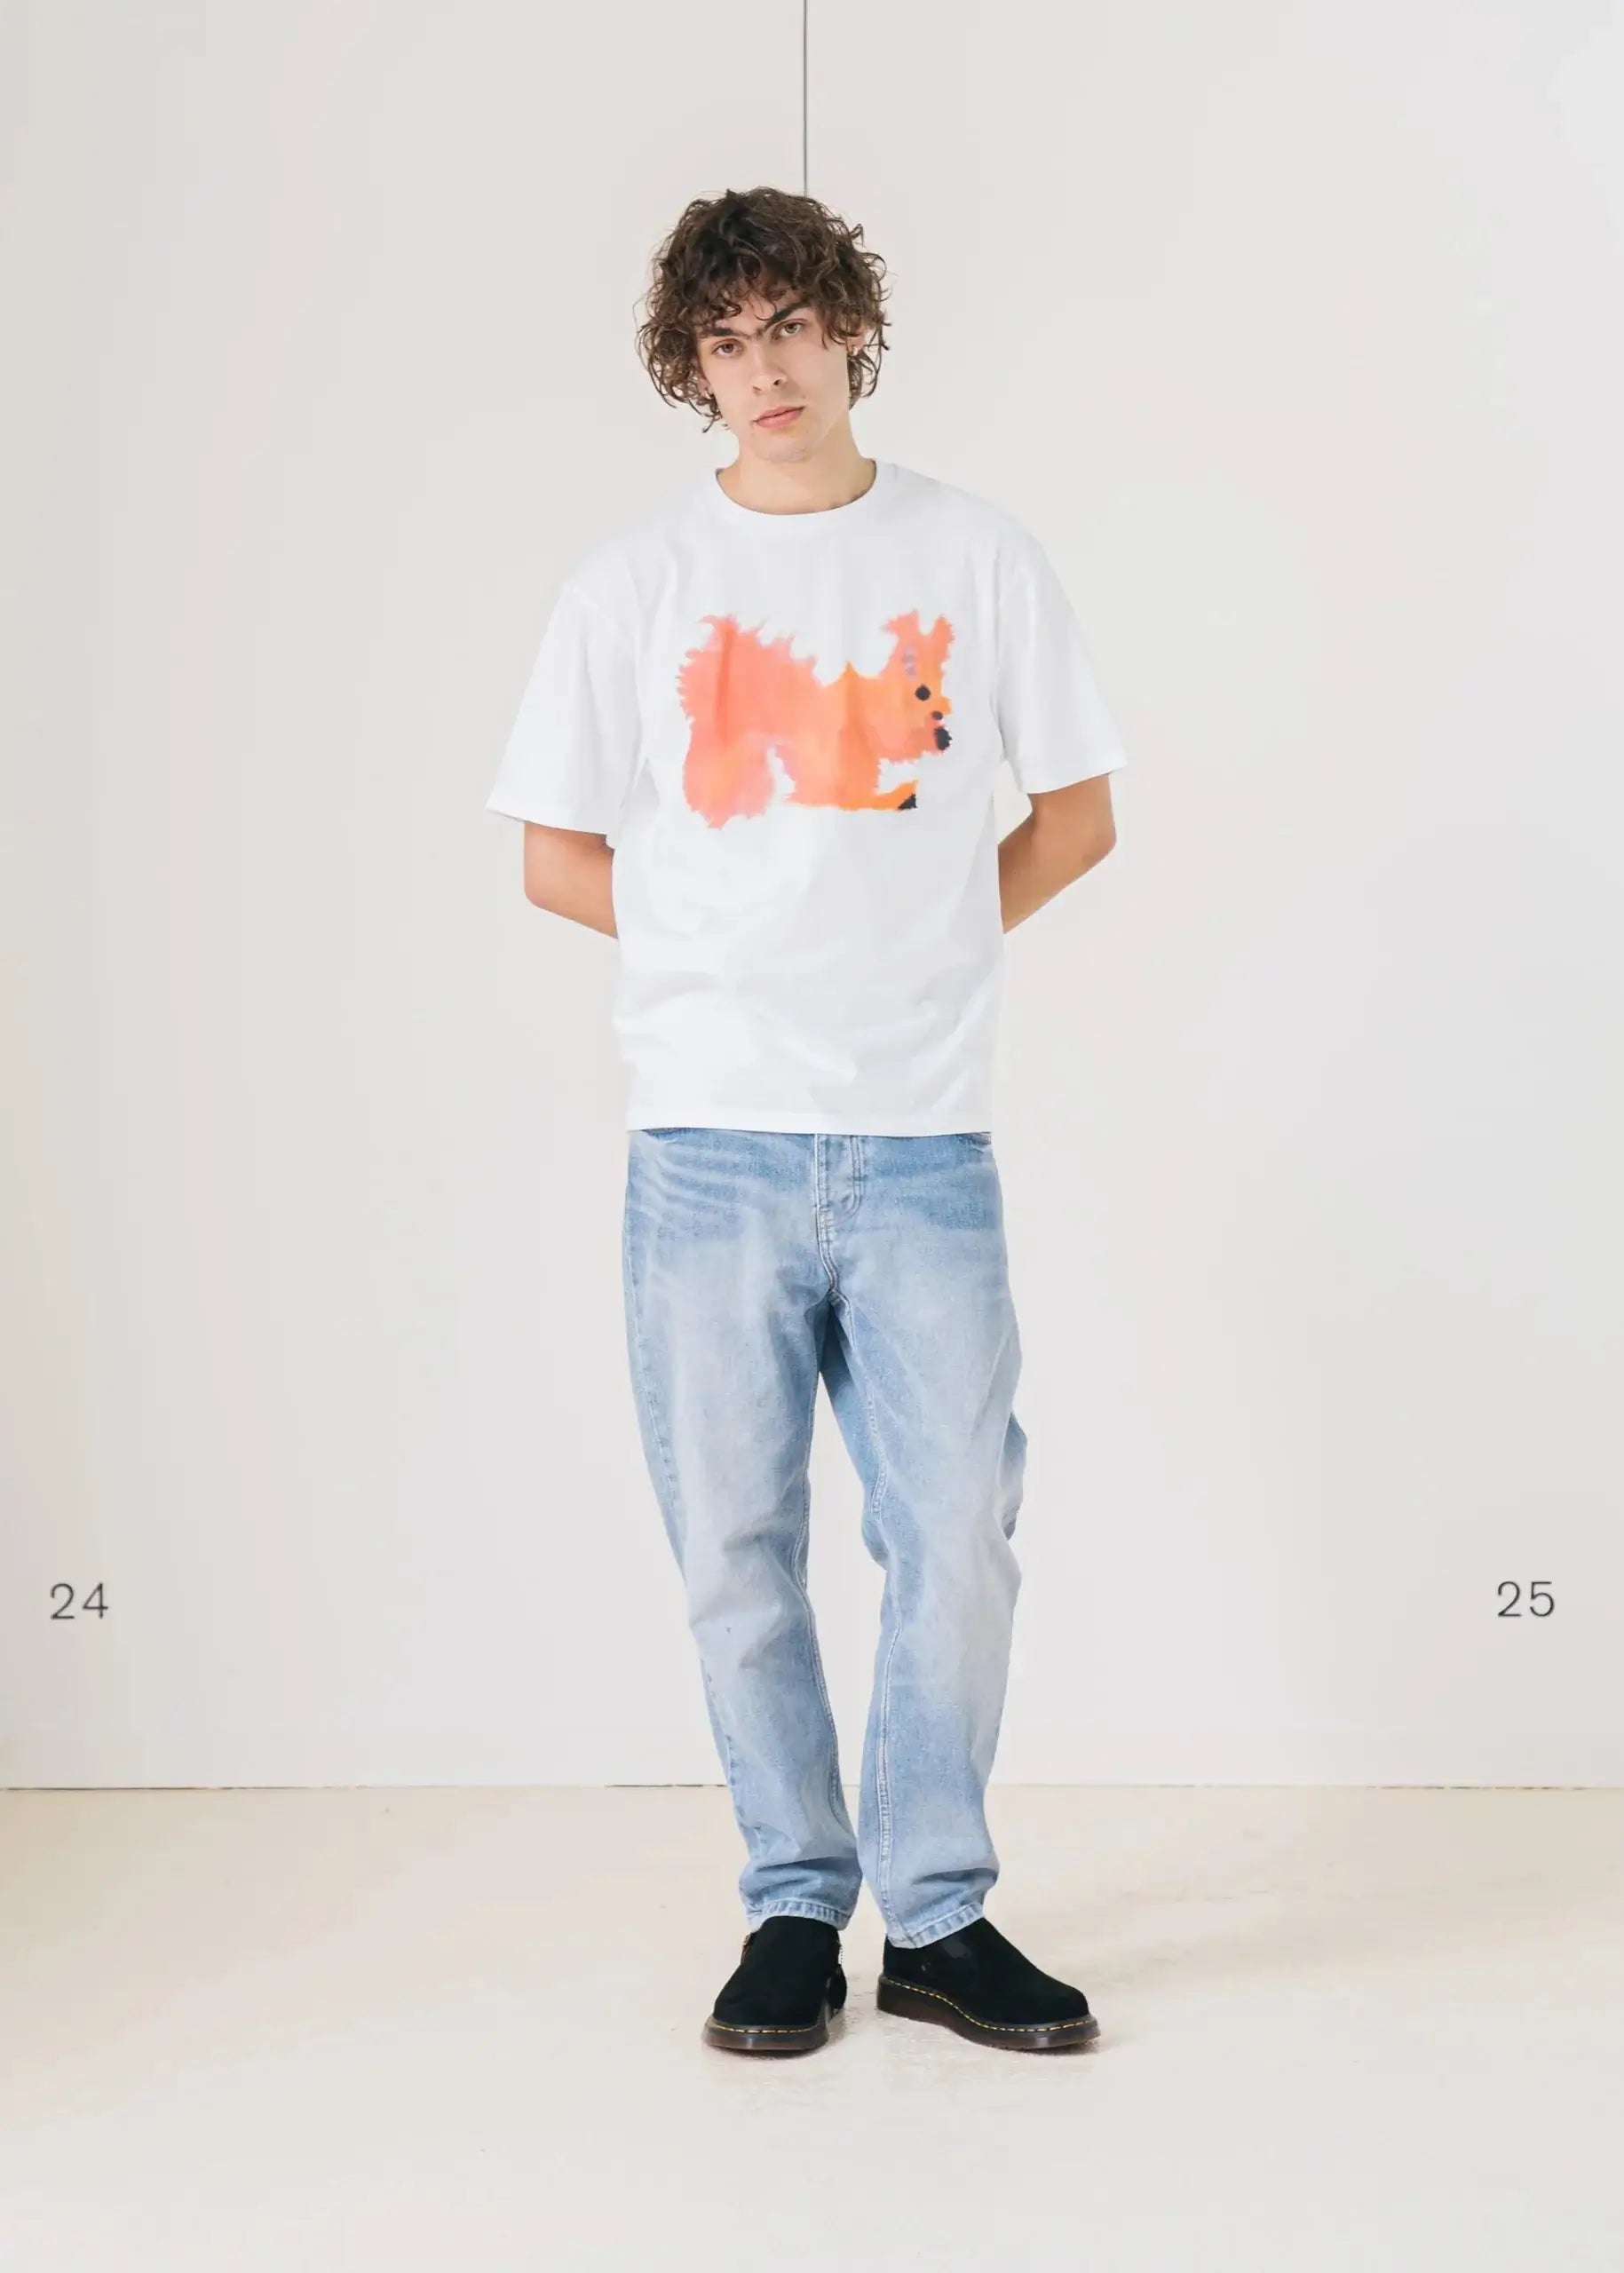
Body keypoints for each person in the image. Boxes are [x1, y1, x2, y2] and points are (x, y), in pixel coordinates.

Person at [486, 186, 1124, 2056]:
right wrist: (733, 959)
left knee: (959, 1533)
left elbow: (1078, 816)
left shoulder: (974, 555)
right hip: (706, 1140)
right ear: (689, 368)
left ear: (852, 329)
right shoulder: (630, 587)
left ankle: (937, 1913)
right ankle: (791, 1902)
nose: (764, 366)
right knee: (735, 1550)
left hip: (922, 1137)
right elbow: (552, 854)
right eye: (726, 338)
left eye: (791, 324)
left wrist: (919, 955)